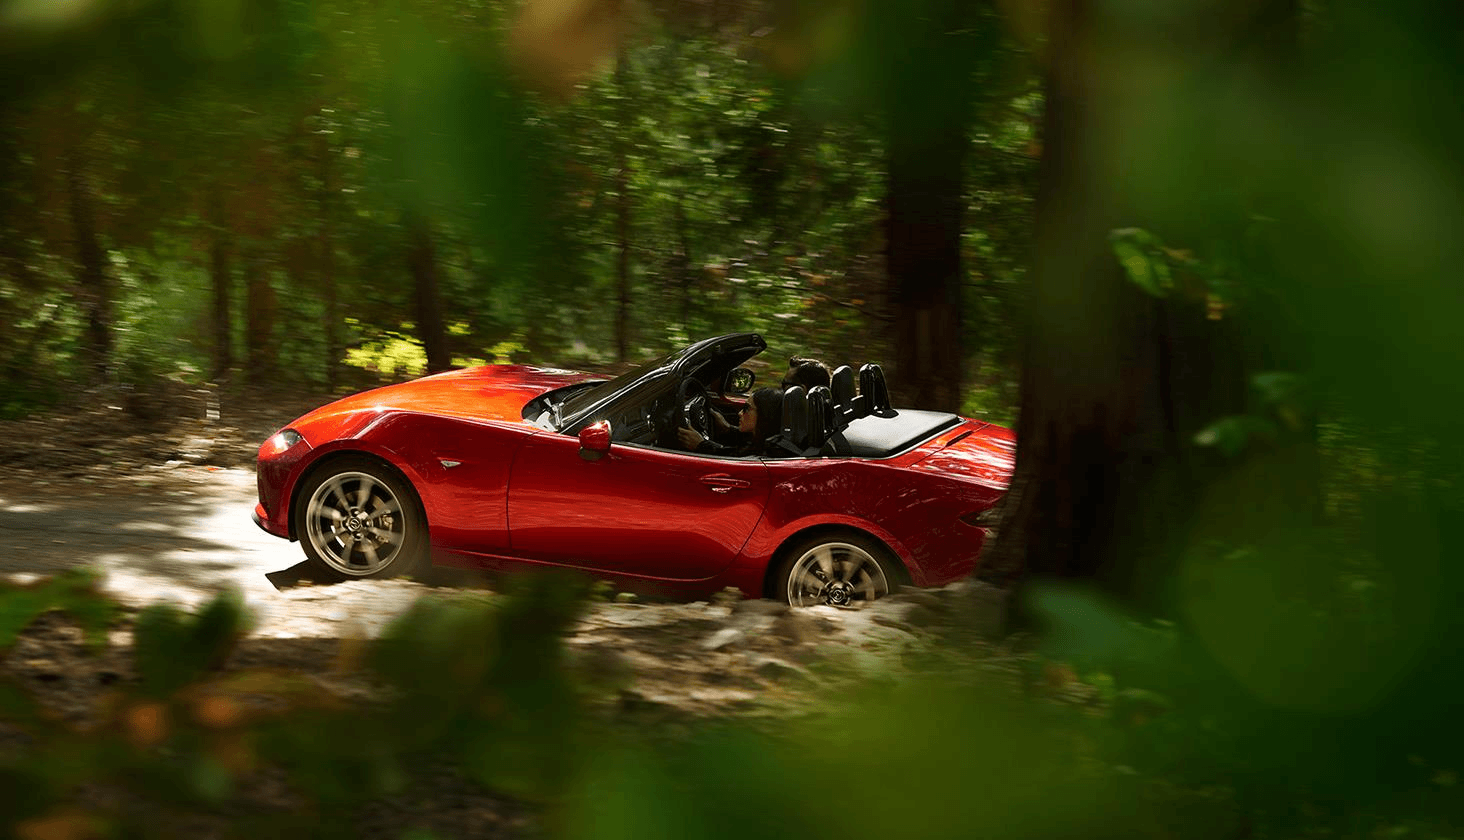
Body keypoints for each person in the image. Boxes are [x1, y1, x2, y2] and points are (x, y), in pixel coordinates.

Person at [678, 387, 783, 456]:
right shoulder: (764, 442)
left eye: (746, 408)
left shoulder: (762, 454)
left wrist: (701, 445)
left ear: (764, 415)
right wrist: (728, 428)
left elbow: (732, 458)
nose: (740, 413)